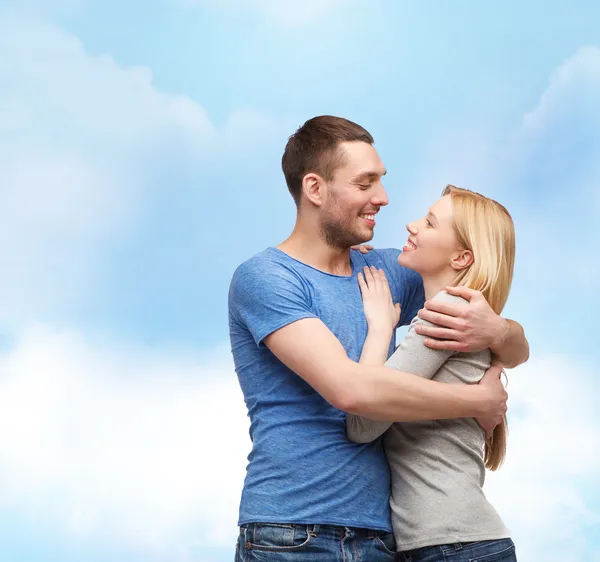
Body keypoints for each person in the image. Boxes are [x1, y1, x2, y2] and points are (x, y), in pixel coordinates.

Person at [228, 116, 529, 561]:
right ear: (315, 189)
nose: (382, 199)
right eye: (365, 183)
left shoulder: (386, 272)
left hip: (385, 539)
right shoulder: (267, 278)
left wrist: (500, 331)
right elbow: (350, 391)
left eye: (380, 182)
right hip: (292, 531)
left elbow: (494, 324)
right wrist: (476, 403)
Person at [347, 185, 518, 561]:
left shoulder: (447, 314)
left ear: (461, 258)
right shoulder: (467, 312)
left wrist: (380, 329)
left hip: (452, 546)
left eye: (428, 223)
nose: (411, 225)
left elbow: (363, 423)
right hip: (456, 542)